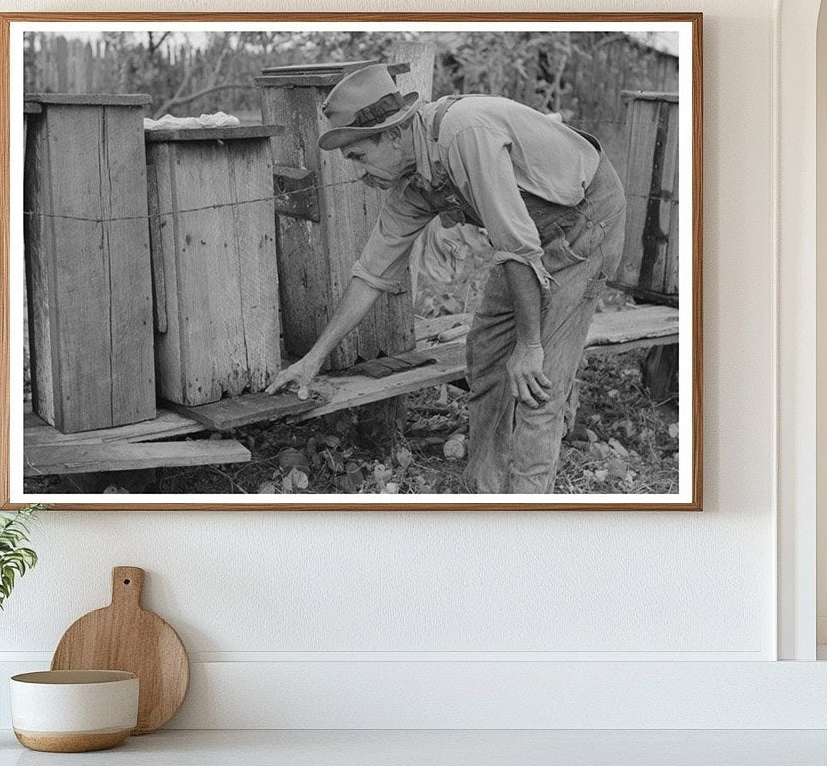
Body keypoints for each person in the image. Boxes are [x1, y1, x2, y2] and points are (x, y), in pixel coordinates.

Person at [266, 62, 627, 494]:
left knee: (539, 381)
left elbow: (515, 246)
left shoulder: (463, 134)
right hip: (525, 235)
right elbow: (371, 275)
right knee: (488, 353)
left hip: (585, 222)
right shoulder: (410, 184)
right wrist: (313, 360)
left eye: (360, 156)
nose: (359, 174)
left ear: (394, 133)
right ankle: (484, 494)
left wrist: (530, 346)